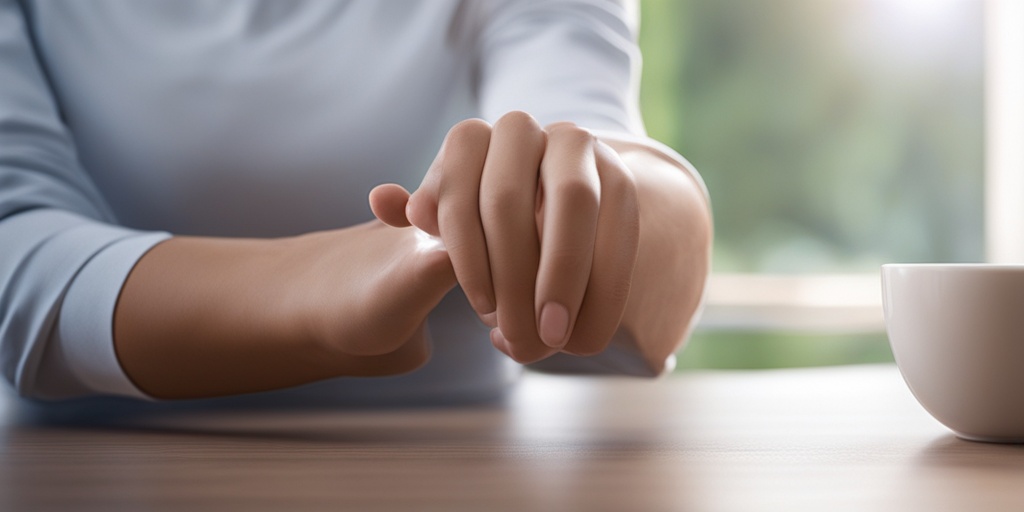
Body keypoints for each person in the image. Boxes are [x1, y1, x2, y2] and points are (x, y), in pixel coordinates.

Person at [0, 0, 711, 405]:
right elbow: (14, 244)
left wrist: (612, 203)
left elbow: (592, 141)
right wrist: (317, 288)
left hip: (456, 481)